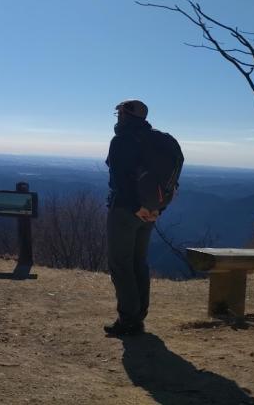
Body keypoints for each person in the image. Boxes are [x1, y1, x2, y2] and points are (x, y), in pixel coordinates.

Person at [104, 99, 159, 337]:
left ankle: (128, 320)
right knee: (139, 263)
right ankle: (138, 316)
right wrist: (155, 208)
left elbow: (119, 180)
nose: (117, 117)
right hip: (150, 213)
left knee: (121, 264)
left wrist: (135, 206)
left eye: (119, 113)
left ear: (126, 116)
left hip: (126, 211)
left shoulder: (121, 140)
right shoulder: (155, 140)